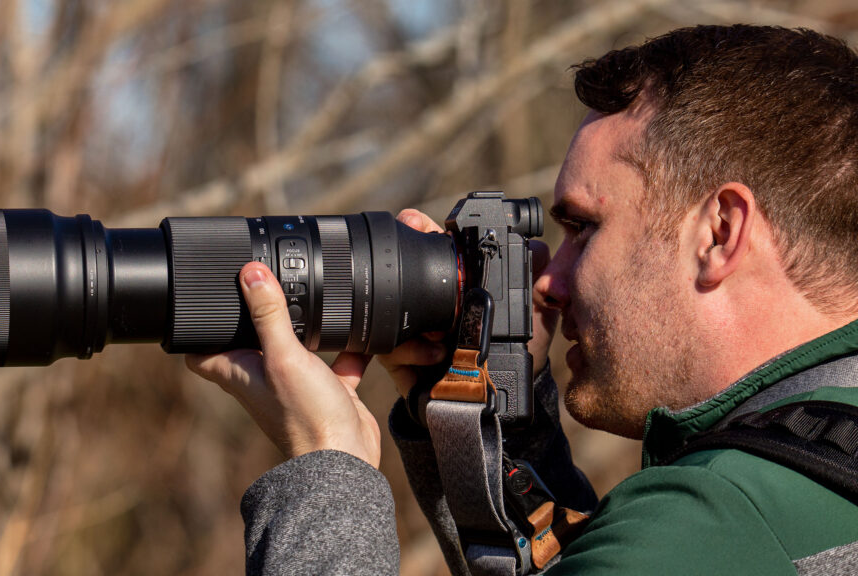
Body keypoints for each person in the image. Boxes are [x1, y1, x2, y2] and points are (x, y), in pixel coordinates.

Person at [186, 24, 858, 575]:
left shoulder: (714, 522)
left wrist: (324, 465)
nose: (547, 279)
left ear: (719, 232)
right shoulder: (813, 487)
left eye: (583, 229)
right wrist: (489, 419)